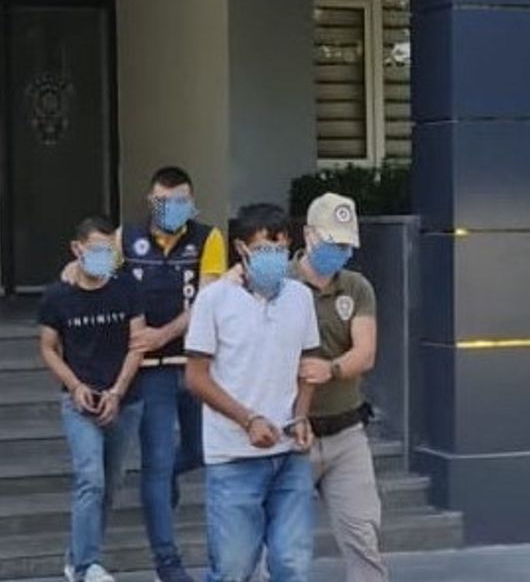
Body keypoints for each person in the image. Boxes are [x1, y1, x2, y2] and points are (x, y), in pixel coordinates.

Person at [63, 166, 226, 582]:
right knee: (156, 461)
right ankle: (166, 563)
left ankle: (164, 478)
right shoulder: (126, 238)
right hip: (149, 372)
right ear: (151, 201)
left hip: (196, 362)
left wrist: (162, 334)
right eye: (165, 201)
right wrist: (70, 273)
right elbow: (97, 274)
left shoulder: (208, 238)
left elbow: (207, 300)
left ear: (192, 202)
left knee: (199, 452)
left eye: (181, 201)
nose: (173, 209)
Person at [184, 203, 320, 582]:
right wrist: (248, 419)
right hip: (233, 454)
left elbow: (308, 364)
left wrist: (301, 414)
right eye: (263, 249)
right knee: (233, 568)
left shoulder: (300, 297)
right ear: (241, 249)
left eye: (280, 248)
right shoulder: (214, 300)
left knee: (293, 563)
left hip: (289, 452)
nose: (273, 257)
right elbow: (196, 377)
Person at [38, 216, 147, 582]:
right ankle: (86, 566)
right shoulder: (58, 296)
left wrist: (118, 391)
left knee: (110, 483)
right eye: (96, 249)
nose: (103, 257)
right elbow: (48, 347)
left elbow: (137, 343)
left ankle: (78, 556)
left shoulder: (126, 288)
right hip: (79, 402)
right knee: (91, 479)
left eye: (109, 251)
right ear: (77, 249)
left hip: (125, 399)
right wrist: (74, 385)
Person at [294, 192, 390, 582]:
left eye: (345, 245)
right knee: (282, 546)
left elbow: (365, 353)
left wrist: (330, 369)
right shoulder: (280, 283)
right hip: (293, 435)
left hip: (347, 432)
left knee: (363, 537)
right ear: (309, 235)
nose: (339, 252)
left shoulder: (356, 287)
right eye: (332, 242)